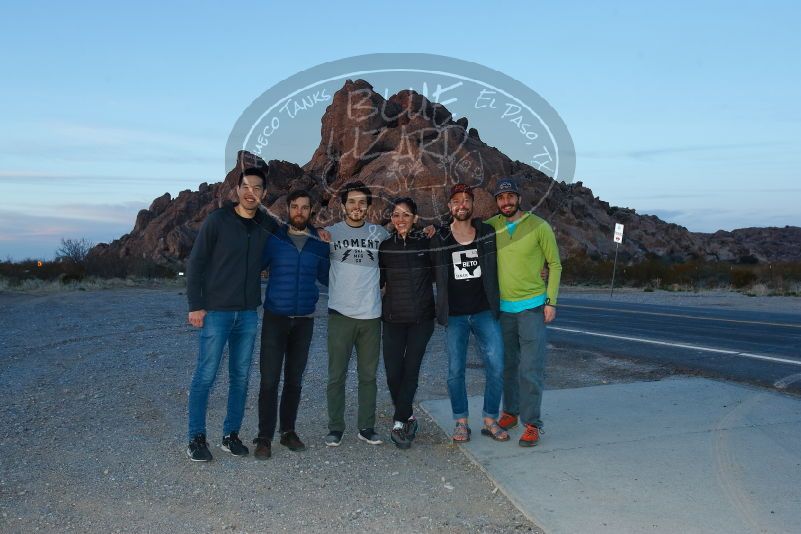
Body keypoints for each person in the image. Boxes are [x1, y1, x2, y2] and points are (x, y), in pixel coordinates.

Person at [185, 167, 275, 462]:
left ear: (264, 193)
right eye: (246, 187)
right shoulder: (218, 221)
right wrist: (195, 305)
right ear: (237, 190)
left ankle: (230, 435)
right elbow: (196, 263)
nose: (252, 193)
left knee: (240, 377)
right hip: (217, 312)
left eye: (258, 188)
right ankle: (196, 438)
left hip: (248, 313)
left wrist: (318, 232)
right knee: (206, 375)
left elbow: (294, 236)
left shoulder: (265, 224)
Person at [252, 190, 330, 460]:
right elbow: (253, 266)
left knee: (294, 381)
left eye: (305, 207)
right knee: (269, 380)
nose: (299, 211)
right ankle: (264, 437)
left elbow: (327, 277)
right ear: (288, 209)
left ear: (311, 211)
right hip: (275, 319)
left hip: (304, 322)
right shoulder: (274, 239)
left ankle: (288, 432)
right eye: (295, 207)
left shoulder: (319, 243)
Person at [430, 184, 508, 443]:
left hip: (484, 310)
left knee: (496, 366)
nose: (461, 205)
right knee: (455, 370)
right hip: (455, 315)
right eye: (456, 201)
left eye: (466, 200)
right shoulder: (439, 238)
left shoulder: (486, 232)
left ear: (472, 204)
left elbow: (510, 256)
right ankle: (461, 422)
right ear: (449, 207)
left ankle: (489, 419)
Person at [487, 178, 562, 447]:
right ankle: (511, 412)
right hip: (502, 310)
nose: (505, 202)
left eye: (510, 196)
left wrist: (550, 302)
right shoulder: (491, 226)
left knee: (530, 368)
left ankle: (532, 424)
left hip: (532, 306)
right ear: (496, 202)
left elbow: (554, 264)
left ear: (518, 198)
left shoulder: (539, 226)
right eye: (500, 198)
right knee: (507, 365)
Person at [325, 181, 389, 447]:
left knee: (368, 376)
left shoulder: (381, 233)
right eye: (351, 202)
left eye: (362, 202)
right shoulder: (329, 233)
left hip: (371, 314)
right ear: (343, 206)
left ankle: (366, 426)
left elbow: (404, 243)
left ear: (368, 207)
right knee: (336, 374)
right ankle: (335, 427)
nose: (357, 207)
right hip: (341, 313)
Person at [378, 197, 435, 449]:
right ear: (391, 219)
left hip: (421, 320)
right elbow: (378, 281)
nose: (400, 220)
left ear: (415, 218)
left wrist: (437, 230)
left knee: (410, 371)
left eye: (406, 215)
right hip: (392, 319)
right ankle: (408, 415)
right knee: (393, 373)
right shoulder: (385, 247)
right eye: (396, 215)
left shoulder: (427, 243)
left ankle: (400, 422)